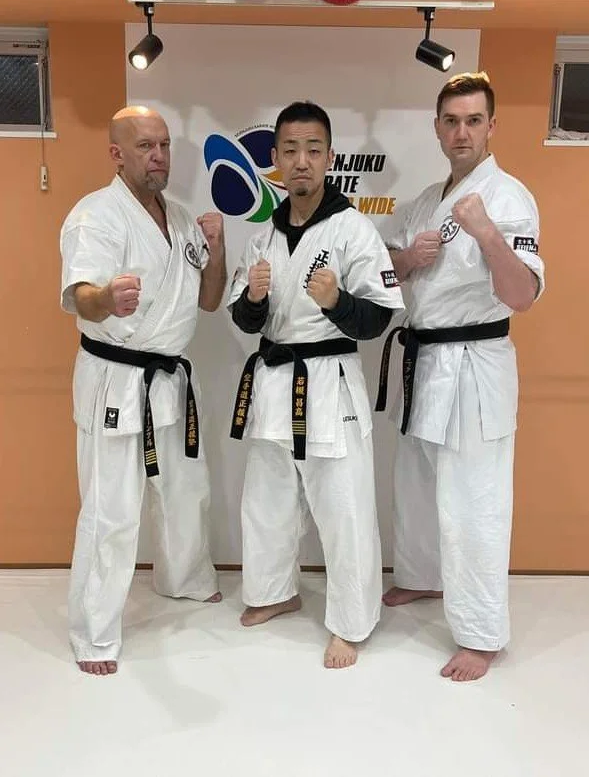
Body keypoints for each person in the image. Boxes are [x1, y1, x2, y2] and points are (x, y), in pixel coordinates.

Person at [378, 72, 546, 681]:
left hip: (475, 365)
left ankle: (480, 633)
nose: (462, 132)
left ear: (491, 126)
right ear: (437, 129)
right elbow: (385, 274)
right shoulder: (425, 200)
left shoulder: (507, 197)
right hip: (426, 361)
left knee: (474, 498)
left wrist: (486, 235)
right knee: (419, 482)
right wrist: (407, 258)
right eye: (451, 121)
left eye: (474, 120)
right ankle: (422, 578)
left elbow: (522, 294)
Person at [227, 101, 404, 669]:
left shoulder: (353, 228)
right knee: (267, 499)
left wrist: (337, 302)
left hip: (329, 382)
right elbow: (242, 319)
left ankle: (352, 621)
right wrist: (254, 299)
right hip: (275, 381)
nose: (301, 162)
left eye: (312, 150)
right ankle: (276, 591)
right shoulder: (265, 235)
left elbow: (379, 317)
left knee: (344, 504)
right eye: (289, 150)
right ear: (275, 159)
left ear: (328, 157)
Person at [60, 106, 227, 676]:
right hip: (116, 377)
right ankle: (94, 630)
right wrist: (109, 299)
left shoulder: (180, 219)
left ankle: (184, 578)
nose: (158, 156)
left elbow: (209, 299)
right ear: (117, 153)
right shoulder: (95, 217)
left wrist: (219, 244)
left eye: (164, 145)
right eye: (145, 147)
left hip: (170, 379)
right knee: (111, 509)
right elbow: (81, 296)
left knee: (185, 488)